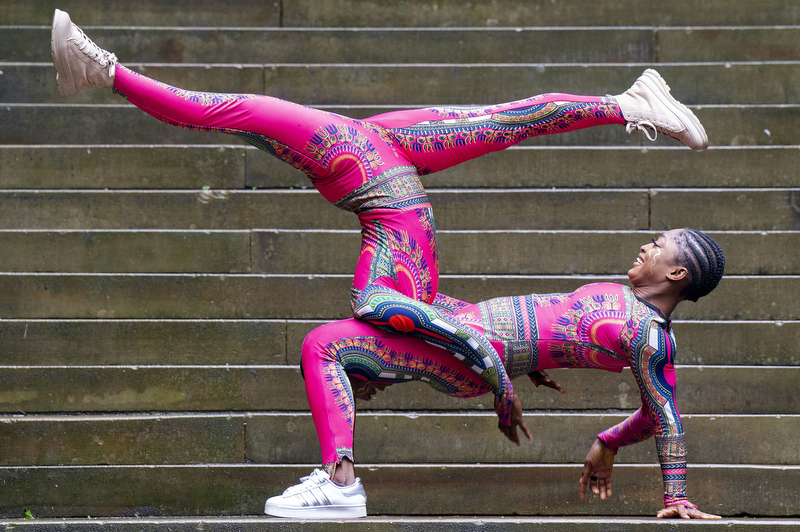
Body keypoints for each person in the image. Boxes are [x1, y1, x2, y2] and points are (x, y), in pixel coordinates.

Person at [50, 9, 709, 468]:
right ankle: (628, 105)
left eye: (361, 380)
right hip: (382, 168)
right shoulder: (400, 285)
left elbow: (420, 324)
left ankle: (104, 70)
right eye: (367, 379)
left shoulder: (394, 289)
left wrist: (495, 365)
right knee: (247, 119)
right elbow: (428, 322)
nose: (367, 376)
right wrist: (503, 366)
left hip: (382, 176)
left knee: (242, 116)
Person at [263, 228, 725, 520]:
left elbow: (662, 417)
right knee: (373, 307)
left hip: (469, 359)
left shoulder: (651, 337)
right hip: (462, 329)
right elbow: (552, 326)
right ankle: (343, 446)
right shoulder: (625, 299)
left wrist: (670, 489)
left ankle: (339, 483)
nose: (646, 244)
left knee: (324, 343)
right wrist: (540, 363)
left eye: (658, 245)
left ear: (678, 272)